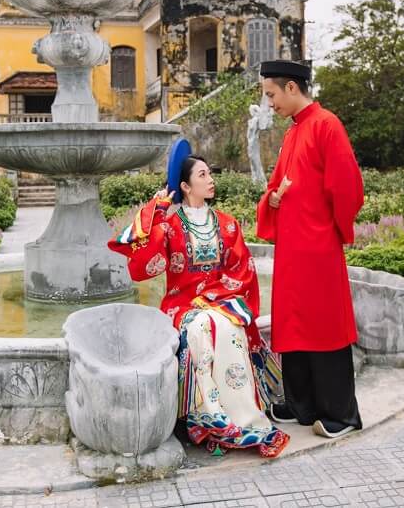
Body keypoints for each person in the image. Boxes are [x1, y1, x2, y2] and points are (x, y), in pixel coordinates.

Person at [108, 141, 289, 457]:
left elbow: (242, 269)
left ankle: (244, 418)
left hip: (220, 298)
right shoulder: (172, 225)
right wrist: (156, 213)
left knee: (228, 326)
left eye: (210, 174)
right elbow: (143, 267)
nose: (210, 179)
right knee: (199, 329)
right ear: (185, 186)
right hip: (182, 304)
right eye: (203, 175)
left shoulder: (227, 223)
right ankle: (208, 418)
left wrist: (218, 295)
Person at [255, 59, 365, 439]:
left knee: (324, 326)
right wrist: (271, 200)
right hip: (292, 249)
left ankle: (340, 413)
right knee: (293, 323)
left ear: (291, 88)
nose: (270, 103)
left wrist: (328, 233)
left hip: (317, 249)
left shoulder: (327, 126)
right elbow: (276, 186)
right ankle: (301, 404)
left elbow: (348, 188)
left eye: (271, 94)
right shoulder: (293, 133)